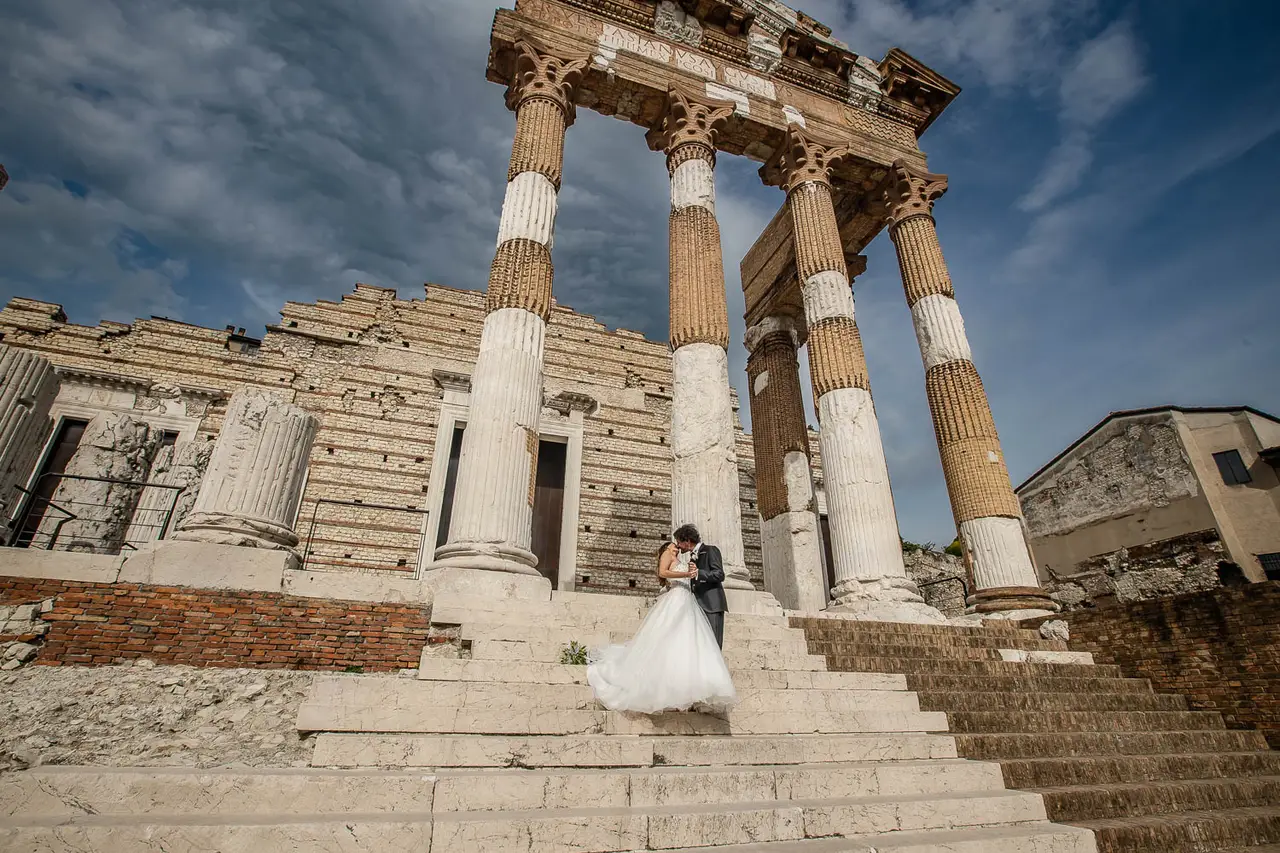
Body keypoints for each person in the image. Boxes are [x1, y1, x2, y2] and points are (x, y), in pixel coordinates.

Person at [585, 531, 737, 714]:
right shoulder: (667, 554)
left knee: (687, 643)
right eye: (674, 544)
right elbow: (662, 572)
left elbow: (710, 574)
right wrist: (686, 575)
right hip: (676, 600)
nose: (677, 546)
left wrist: (692, 574)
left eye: (678, 542)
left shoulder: (691, 557)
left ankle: (690, 689)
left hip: (689, 603)